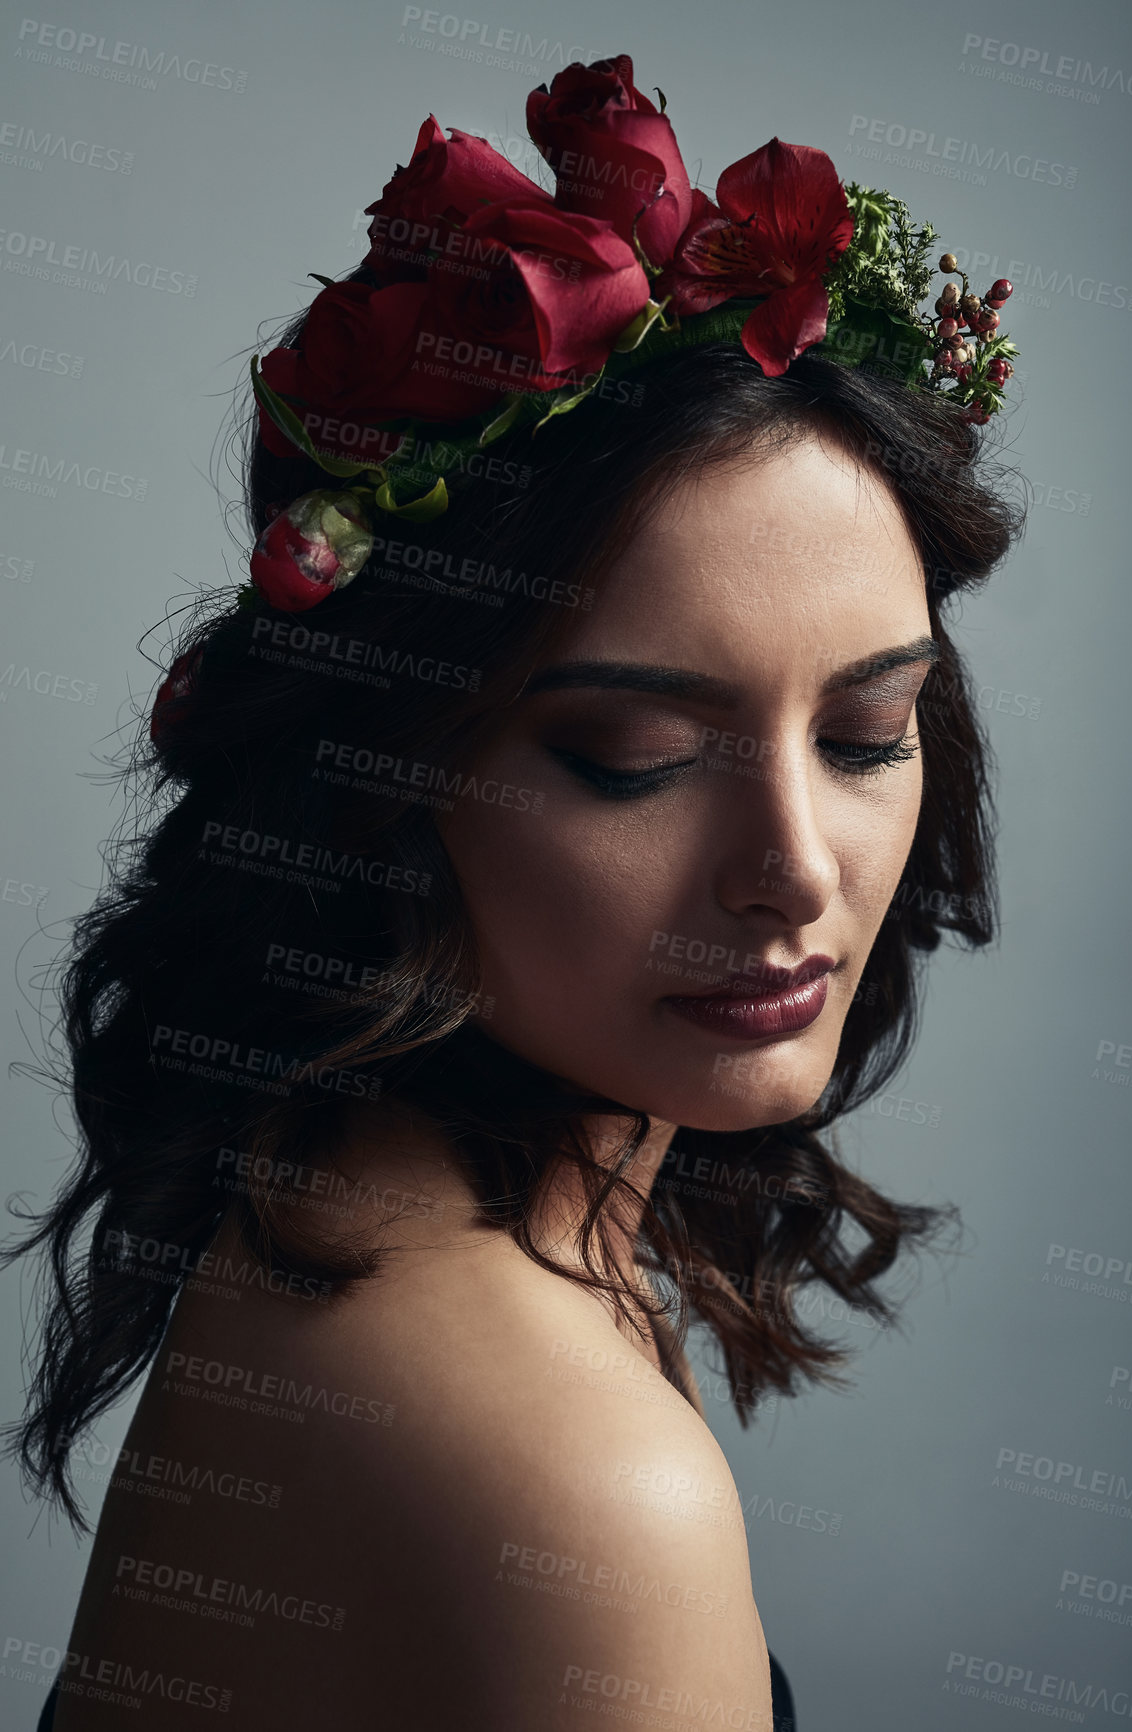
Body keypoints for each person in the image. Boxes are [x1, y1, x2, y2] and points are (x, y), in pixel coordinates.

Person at [6, 53, 1025, 1732]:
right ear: (392, 778)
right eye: (631, 756)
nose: (792, 871)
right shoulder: (564, 1473)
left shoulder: (390, 1197)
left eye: (864, 731)